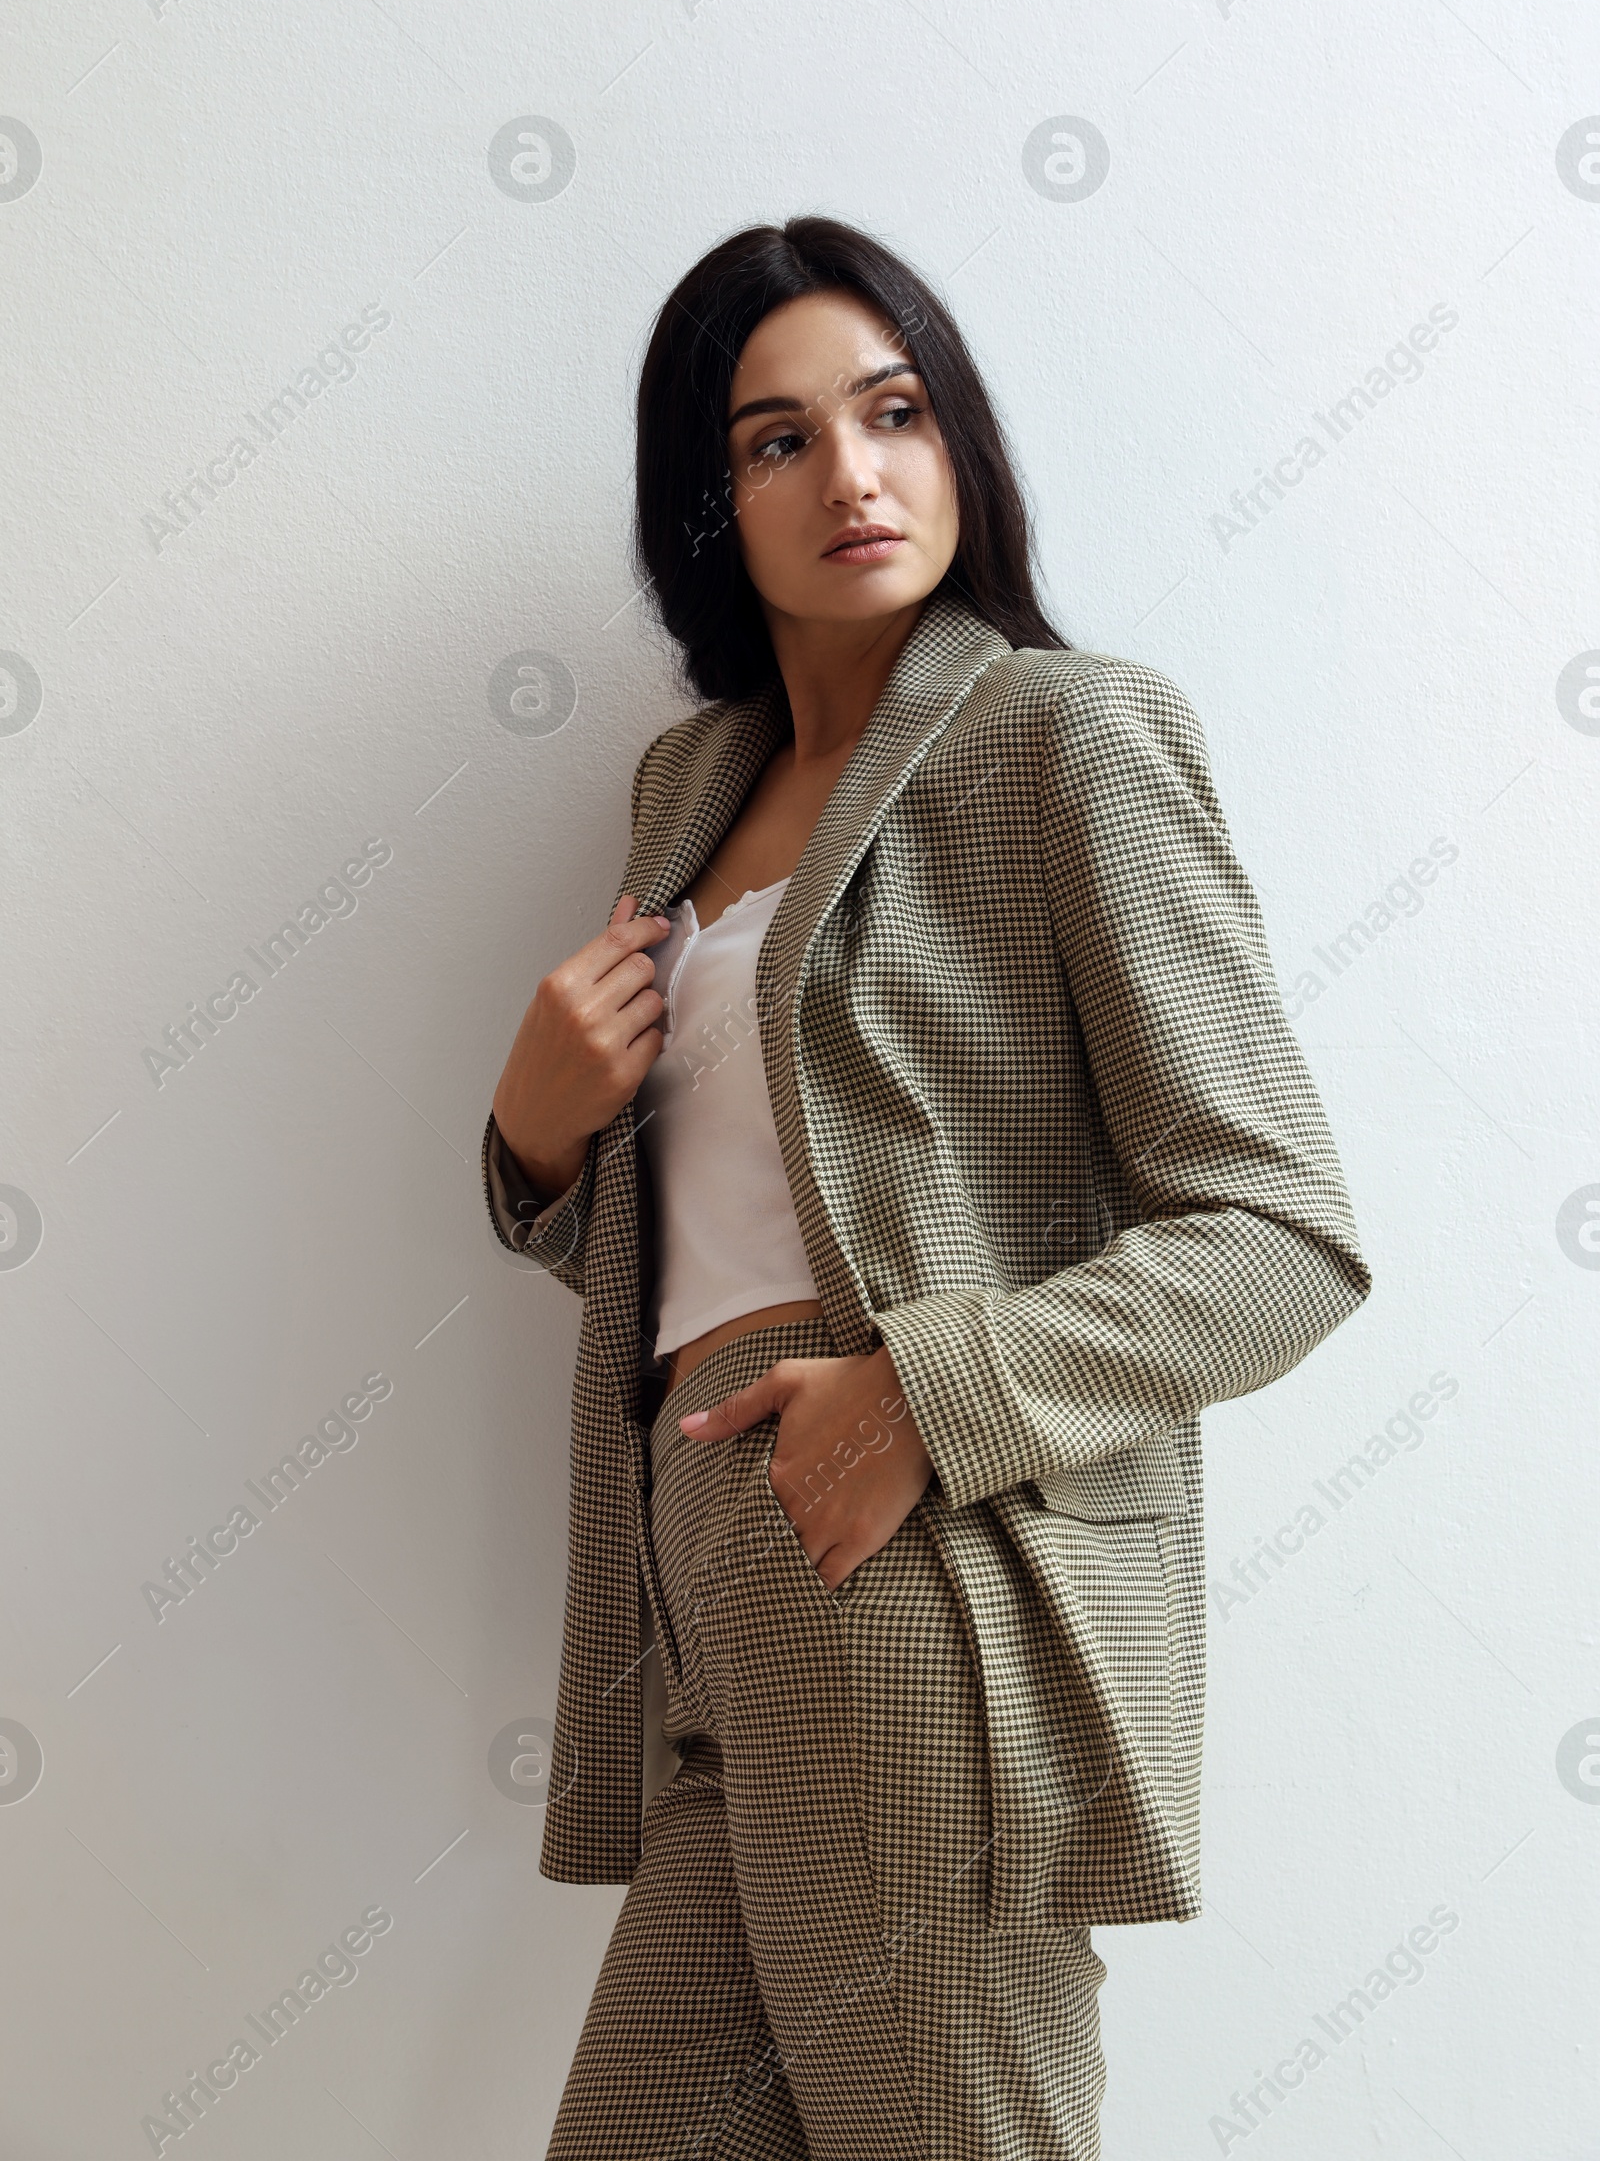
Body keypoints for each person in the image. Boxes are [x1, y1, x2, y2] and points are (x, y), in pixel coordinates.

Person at [485, 216, 1371, 2160]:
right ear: (706, 501)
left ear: (958, 438)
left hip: (912, 1559)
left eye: (891, 412)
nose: (852, 474)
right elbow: (733, 1222)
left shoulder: (1061, 735)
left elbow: (1279, 1234)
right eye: (772, 437)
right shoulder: (686, 789)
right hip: (697, 1582)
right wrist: (542, 1139)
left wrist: (915, 1397)